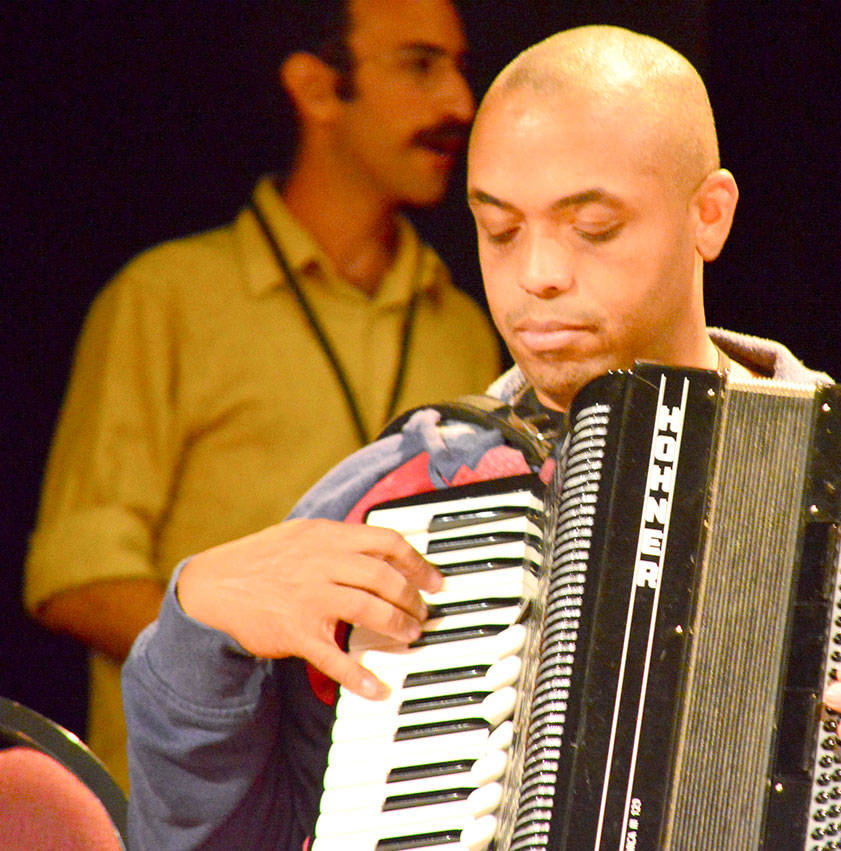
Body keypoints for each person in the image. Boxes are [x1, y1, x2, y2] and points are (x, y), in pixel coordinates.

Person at [122, 25, 841, 850]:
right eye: (499, 228)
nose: (538, 275)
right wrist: (191, 632)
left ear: (708, 213)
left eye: (590, 226)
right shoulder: (398, 490)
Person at [24, 0, 500, 790]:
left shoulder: (468, 330)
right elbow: (77, 580)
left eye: (459, 68)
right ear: (316, 89)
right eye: (420, 65)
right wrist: (268, 680)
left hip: (395, 800)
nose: (460, 103)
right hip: (198, 806)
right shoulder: (165, 298)